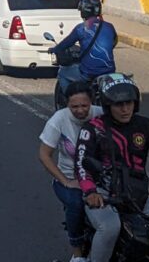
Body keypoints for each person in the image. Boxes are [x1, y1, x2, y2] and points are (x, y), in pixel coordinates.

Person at [75, 74, 149, 262]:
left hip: (138, 196)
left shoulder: (147, 126)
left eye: (129, 103)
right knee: (110, 228)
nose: (125, 109)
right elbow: (81, 163)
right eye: (118, 104)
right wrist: (90, 191)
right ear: (107, 105)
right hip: (104, 195)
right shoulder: (93, 128)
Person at [39, 82, 103, 262]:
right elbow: (44, 155)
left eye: (84, 105)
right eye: (74, 106)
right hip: (70, 178)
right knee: (76, 203)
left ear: (92, 102)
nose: (80, 110)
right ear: (67, 104)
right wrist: (66, 181)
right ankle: (77, 252)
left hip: (100, 178)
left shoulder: (102, 114)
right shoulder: (58, 120)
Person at [51, 0, 118, 94]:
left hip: (88, 74)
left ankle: (71, 101)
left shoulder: (81, 28)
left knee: (62, 73)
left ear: (84, 11)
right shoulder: (109, 26)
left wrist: (55, 49)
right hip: (109, 71)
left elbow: (66, 44)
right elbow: (114, 42)